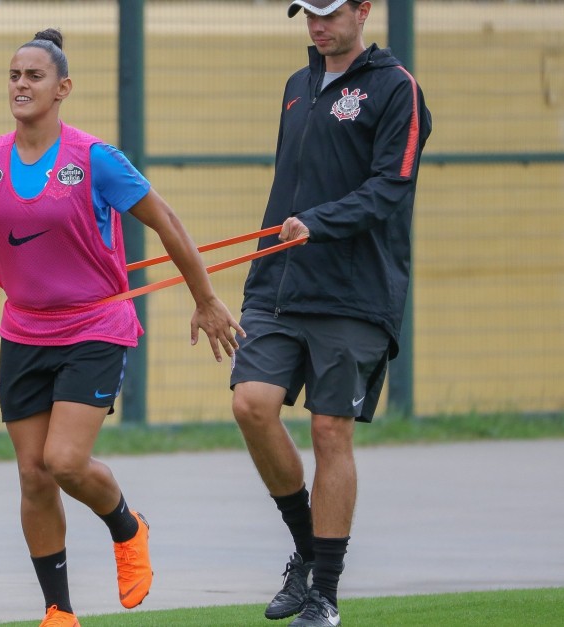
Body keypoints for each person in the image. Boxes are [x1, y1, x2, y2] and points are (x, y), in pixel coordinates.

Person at [0, 28, 243, 627]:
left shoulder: (93, 158)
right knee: (32, 475)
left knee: (65, 462)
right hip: (23, 332)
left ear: (63, 88)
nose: (21, 85)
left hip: (94, 326)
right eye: (15, 75)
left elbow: (167, 221)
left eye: (35, 76)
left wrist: (204, 298)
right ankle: (59, 612)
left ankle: (128, 527)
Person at [229, 2, 432, 626]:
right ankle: (307, 550)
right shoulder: (297, 86)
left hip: (354, 291)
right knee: (251, 404)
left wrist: (317, 224)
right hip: (279, 285)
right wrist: (266, 261)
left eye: (330, 12)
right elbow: (285, 187)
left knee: (328, 432)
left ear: (363, 10)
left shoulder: (398, 89)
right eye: (307, 14)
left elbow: (390, 188)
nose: (317, 26)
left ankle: (325, 593)